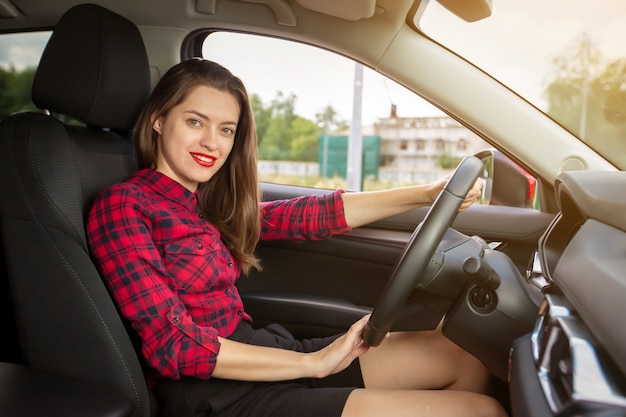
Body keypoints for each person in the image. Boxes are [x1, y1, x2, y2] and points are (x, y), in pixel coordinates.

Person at [86, 58, 507, 417]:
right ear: (159, 119)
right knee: (484, 412)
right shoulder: (124, 205)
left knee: (462, 355)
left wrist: (427, 194)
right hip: (214, 394)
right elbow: (174, 345)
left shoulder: (206, 206)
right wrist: (311, 362)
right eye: (195, 121)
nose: (211, 143)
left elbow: (308, 215)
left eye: (227, 130)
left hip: (261, 351)